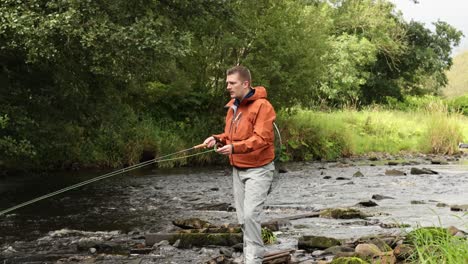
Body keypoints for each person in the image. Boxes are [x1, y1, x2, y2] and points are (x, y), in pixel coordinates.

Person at [203, 65, 276, 264]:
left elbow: (262, 139)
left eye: (232, 83)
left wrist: (235, 148)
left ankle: (254, 259)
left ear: (245, 84)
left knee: (252, 215)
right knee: (243, 218)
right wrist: (217, 139)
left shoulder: (263, 106)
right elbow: (230, 136)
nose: (228, 86)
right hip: (238, 169)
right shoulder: (234, 106)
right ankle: (249, 256)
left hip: (259, 169)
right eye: (227, 82)